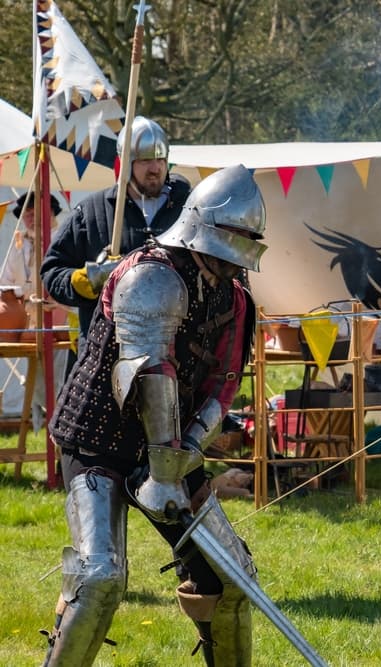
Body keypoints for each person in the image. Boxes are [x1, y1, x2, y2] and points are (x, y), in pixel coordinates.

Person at [40, 164, 267, 666]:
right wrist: (165, 465)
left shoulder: (232, 297)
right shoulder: (151, 276)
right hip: (98, 438)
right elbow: (150, 372)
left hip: (167, 450)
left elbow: (222, 385)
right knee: (99, 577)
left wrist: (185, 452)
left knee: (231, 578)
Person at [40, 116, 191, 357]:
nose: (155, 168)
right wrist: (87, 280)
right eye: (145, 160)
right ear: (127, 162)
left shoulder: (189, 208)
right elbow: (52, 271)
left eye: (160, 159)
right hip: (106, 351)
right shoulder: (92, 211)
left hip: (177, 351)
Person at [0, 192, 70, 427]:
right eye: (28, 215)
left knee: (62, 378)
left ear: (51, 214)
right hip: (29, 327)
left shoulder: (64, 241)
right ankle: (48, 420)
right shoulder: (18, 245)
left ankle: (62, 423)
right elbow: (6, 283)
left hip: (61, 323)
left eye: (38, 213)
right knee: (38, 378)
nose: (32, 218)